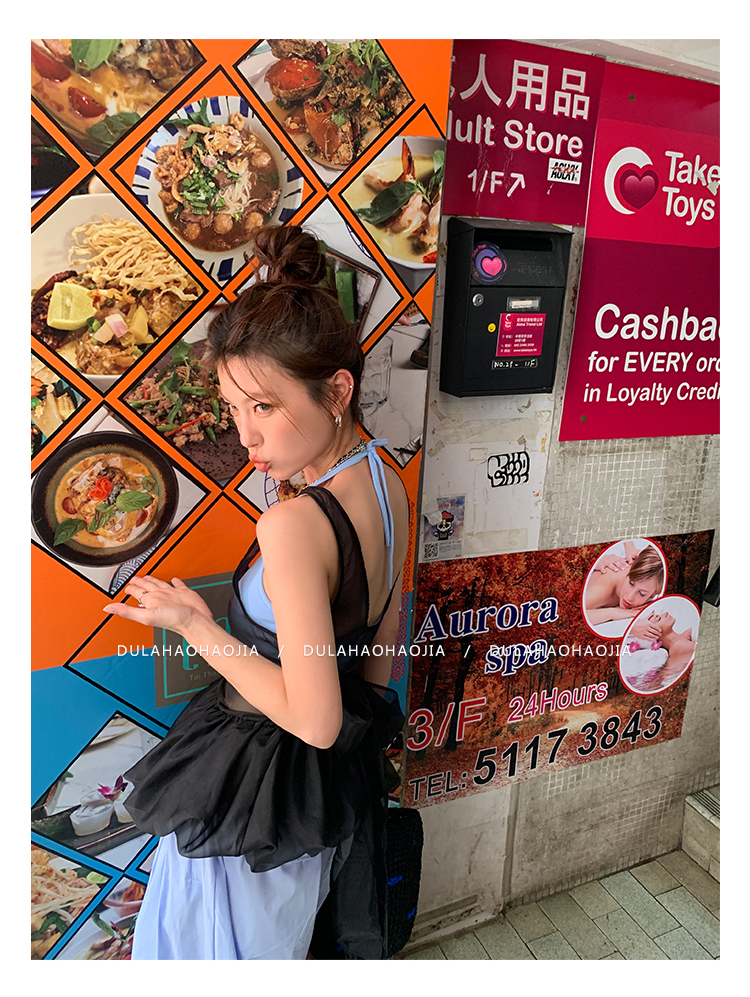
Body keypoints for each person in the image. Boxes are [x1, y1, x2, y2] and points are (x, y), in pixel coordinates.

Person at [103, 224, 410, 960]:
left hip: (253, 795)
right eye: (234, 408)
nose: (245, 436)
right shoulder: (387, 480)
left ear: (337, 390)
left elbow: (317, 721)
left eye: (264, 407)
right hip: (310, 797)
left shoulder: (293, 525)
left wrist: (195, 625)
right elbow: (376, 660)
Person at [584, 544, 664, 631]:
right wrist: (613, 613)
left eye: (641, 593)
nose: (629, 597)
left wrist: (629, 546)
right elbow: (579, 614)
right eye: (631, 583)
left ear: (654, 593)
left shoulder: (655, 582)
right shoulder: (605, 588)